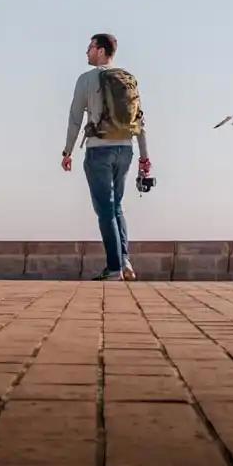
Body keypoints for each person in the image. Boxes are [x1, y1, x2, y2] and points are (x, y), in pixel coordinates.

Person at [61, 32, 152, 281]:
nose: (87, 52)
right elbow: (140, 120)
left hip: (99, 149)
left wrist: (67, 151)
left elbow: (75, 118)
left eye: (90, 47)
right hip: (126, 149)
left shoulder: (87, 79)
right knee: (117, 207)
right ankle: (125, 262)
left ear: (101, 50)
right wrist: (145, 157)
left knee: (105, 210)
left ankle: (114, 269)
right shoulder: (128, 78)